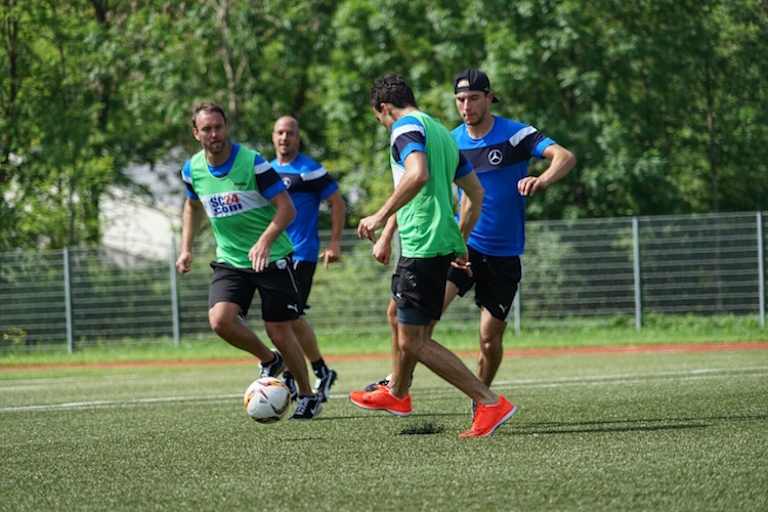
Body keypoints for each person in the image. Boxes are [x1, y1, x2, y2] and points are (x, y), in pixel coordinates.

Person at [370, 69, 577, 406]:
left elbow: (564, 156)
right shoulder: (447, 139)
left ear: (489, 97)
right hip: (461, 245)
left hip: (503, 251)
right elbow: (413, 188)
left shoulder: (515, 135)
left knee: (488, 339)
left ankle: (480, 396)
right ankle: (400, 385)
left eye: (473, 98)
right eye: (460, 100)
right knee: (417, 319)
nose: (466, 106)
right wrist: (387, 233)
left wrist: (542, 179)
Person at [348, 74, 518, 438]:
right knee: (400, 315)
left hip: (422, 243)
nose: (382, 124)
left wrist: (379, 216)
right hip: (439, 242)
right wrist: (459, 238)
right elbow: (475, 192)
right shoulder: (440, 131)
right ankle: (397, 393)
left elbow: (417, 174)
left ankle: (488, 402)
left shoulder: (404, 128)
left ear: (383, 109)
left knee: (414, 339)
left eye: (378, 118)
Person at [175, 102, 322, 420]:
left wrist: (265, 241)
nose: (214, 134)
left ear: (226, 127)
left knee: (280, 330)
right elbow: (192, 206)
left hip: (273, 258)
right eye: (207, 129)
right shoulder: (192, 170)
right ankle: (270, 360)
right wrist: (186, 247)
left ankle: (308, 395)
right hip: (230, 260)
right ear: (196, 133)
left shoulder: (252, 163)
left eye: (219, 127)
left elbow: (287, 209)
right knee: (220, 321)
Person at [270, 115, 345, 402]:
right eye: (279, 132)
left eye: (289, 132)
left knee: (286, 318)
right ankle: (320, 371)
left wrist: (335, 243)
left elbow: (337, 202)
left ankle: (292, 376)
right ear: (273, 137)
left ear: (297, 137)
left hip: (301, 254)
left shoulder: (310, 170)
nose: (284, 138)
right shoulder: (267, 171)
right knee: (291, 317)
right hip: (275, 256)